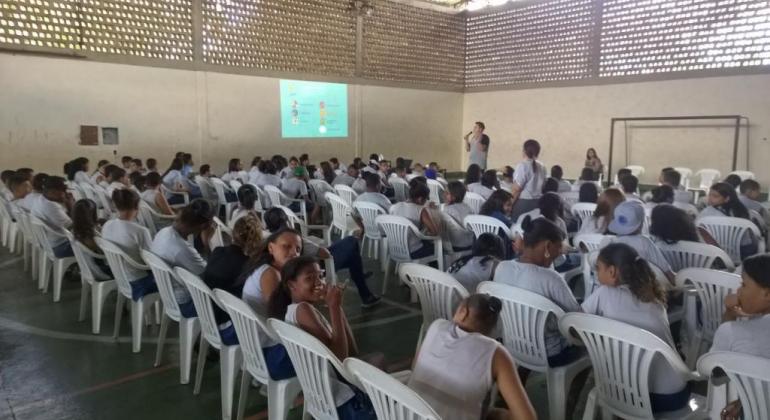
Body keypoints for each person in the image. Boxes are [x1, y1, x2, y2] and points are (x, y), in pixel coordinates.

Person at [583, 243, 688, 413]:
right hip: (672, 396)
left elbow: (576, 321)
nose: (596, 273)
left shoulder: (605, 294)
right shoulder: (655, 300)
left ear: (612, 272)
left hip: (624, 393)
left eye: (599, 268)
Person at [268, 256, 377, 420]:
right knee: (380, 366)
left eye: (320, 275)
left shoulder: (293, 311)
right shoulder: (303, 310)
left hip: (322, 393)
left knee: (377, 360)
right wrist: (333, 307)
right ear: (291, 285)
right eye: (309, 278)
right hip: (340, 401)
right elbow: (341, 358)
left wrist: (337, 307)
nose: (318, 282)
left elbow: (352, 352)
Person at [408, 294, 536, 420]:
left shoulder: (437, 326)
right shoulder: (497, 354)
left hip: (404, 413)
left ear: (463, 312)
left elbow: (415, 369)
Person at [493, 216, 582, 366]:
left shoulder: (503, 267)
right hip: (549, 353)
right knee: (591, 350)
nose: (560, 253)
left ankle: (521, 374)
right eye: (559, 247)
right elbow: (577, 322)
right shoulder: (551, 278)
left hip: (512, 345)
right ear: (547, 246)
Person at [263, 208, 381, 308]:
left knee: (353, 258)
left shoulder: (267, 238)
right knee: (352, 242)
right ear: (286, 221)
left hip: (301, 272)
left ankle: (363, 288)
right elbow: (325, 254)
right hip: (317, 268)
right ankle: (364, 290)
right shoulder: (292, 239)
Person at [203, 214, 264, 343]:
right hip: (228, 323)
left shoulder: (217, 251)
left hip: (207, 316)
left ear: (233, 233)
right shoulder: (247, 266)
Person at [151, 199, 217, 318]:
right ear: (203, 226)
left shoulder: (163, 232)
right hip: (186, 302)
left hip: (167, 294)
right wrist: (207, 242)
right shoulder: (181, 248)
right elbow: (209, 274)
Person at [102, 189, 156, 300]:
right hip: (139, 282)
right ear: (137, 206)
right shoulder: (140, 231)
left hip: (120, 278)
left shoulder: (107, 225)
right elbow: (152, 261)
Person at [603, 200, 675, 285]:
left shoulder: (609, 242)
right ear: (641, 224)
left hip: (616, 290)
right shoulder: (644, 243)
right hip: (643, 292)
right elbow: (667, 272)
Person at [240, 229, 303, 315]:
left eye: (298, 249)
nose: (294, 253)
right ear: (271, 248)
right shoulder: (270, 273)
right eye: (286, 246)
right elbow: (278, 313)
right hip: (261, 326)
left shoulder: (271, 267)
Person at [698, 182, 760, 259]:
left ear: (727, 198)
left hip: (714, 253)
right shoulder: (741, 211)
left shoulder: (707, 211)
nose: (710, 198)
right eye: (709, 195)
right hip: (742, 253)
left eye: (715, 196)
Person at [389, 180, 439, 259]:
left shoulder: (395, 206)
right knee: (439, 248)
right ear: (420, 199)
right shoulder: (421, 210)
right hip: (413, 250)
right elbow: (435, 232)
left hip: (394, 247)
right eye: (426, 199)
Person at [31, 176, 75, 257]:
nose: (66, 194)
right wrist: (71, 205)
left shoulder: (39, 199)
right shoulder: (51, 206)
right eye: (64, 191)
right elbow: (73, 227)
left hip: (49, 243)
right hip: (60, 246)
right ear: (53, 192)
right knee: (94, 245)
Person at [70, 198, 112, 279]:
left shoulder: (76, 229)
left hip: (89, 269)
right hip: (102, 270)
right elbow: (104, 252)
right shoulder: (89, 235)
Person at [510, 139, 547, 221]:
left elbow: (517, 189)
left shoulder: (522, 166)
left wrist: (510, 204)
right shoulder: (542, 167)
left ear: (524, 151)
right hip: (538, 204)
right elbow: (544, 185)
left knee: (517, 228)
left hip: (524, 204)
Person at [441, 181, 475, 253]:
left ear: (454, 196)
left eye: (447, 193)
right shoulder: (468, 207)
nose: (443, 194)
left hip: (454, 245)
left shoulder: (446, 209)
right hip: (469, 243)